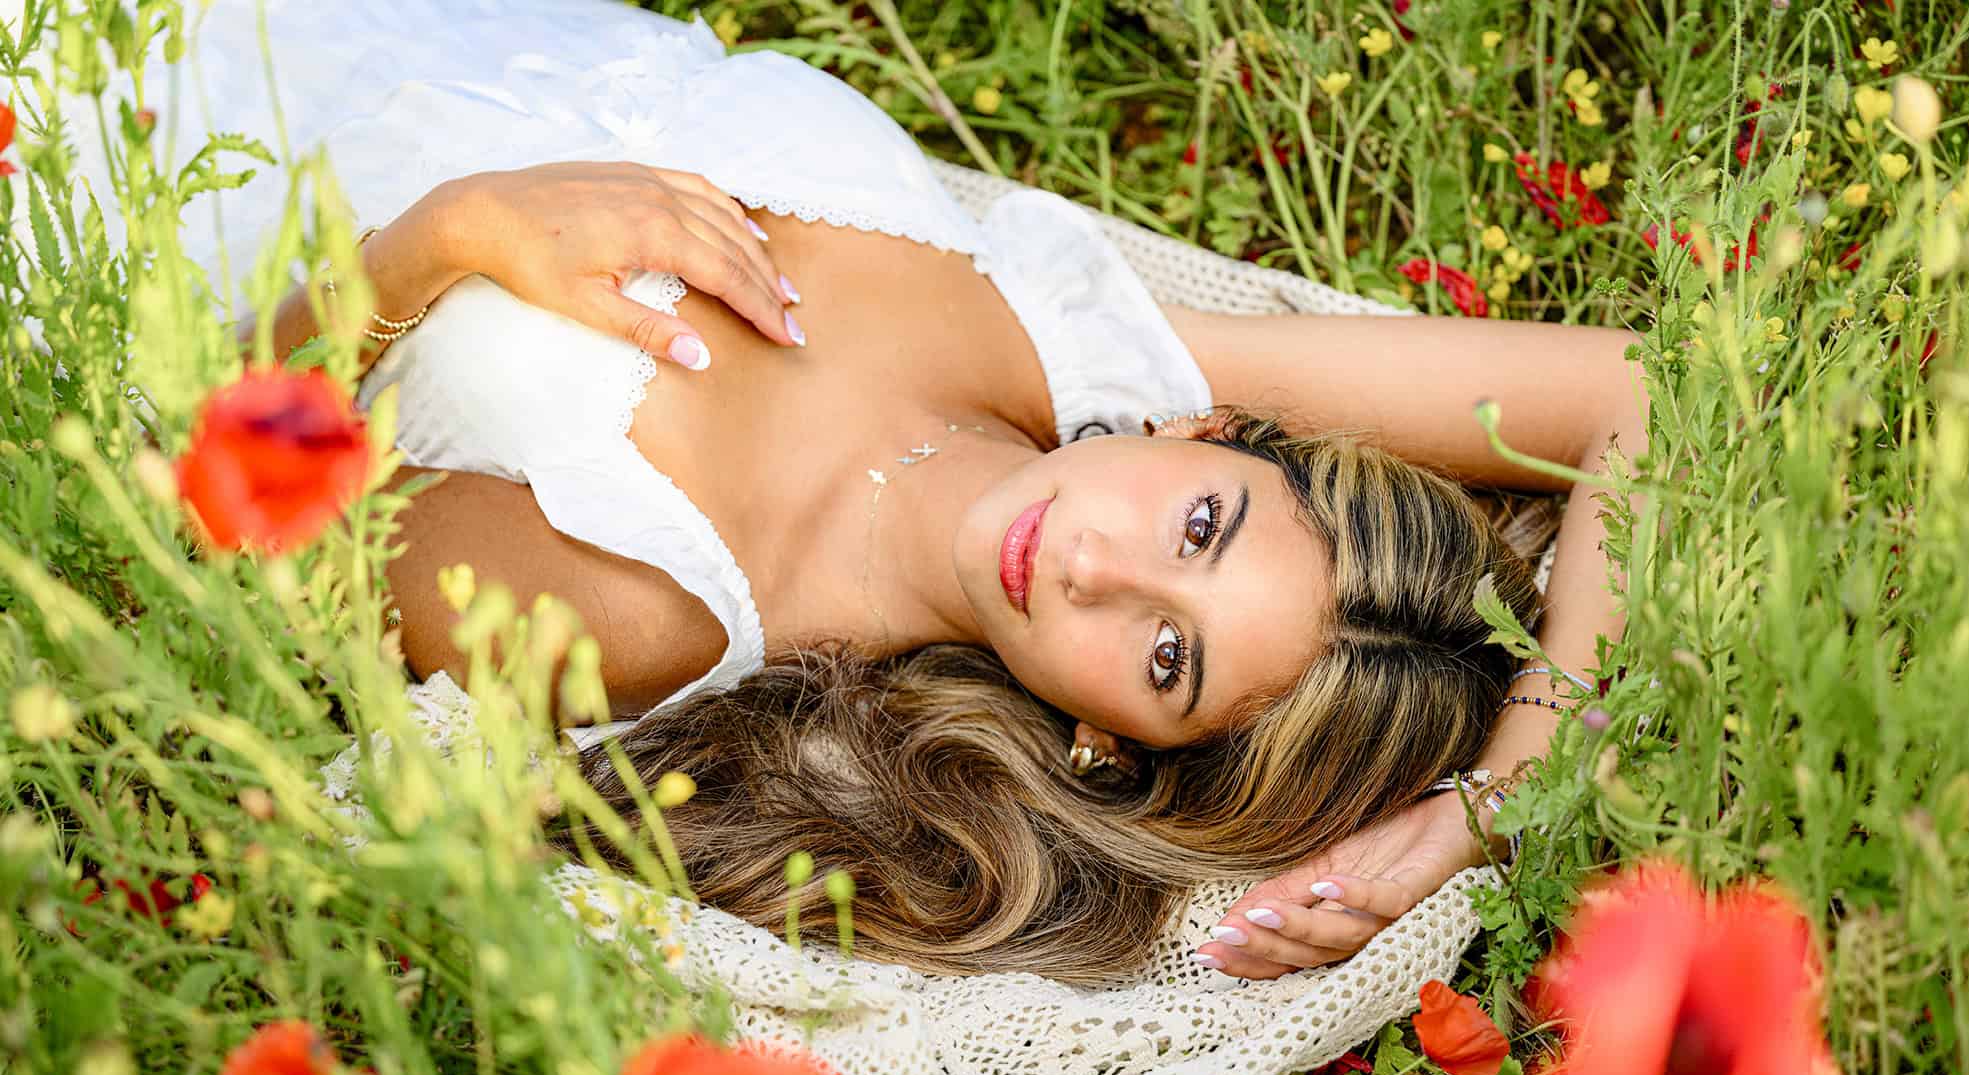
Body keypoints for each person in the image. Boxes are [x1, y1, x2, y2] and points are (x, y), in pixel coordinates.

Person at [127, 0, 1649, 983]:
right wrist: (1509, 789)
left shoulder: (647, 605)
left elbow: (209, 480)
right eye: (1200, 525)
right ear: (1208, 431)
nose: (1101, 568)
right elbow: (1641, 389)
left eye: (1163, 655)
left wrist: (445, 239)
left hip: (116, 143)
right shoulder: (1084, 337)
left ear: (1102, 741)